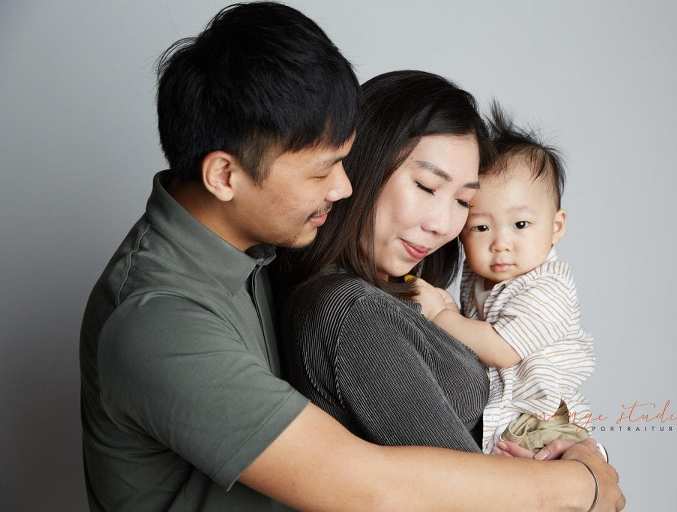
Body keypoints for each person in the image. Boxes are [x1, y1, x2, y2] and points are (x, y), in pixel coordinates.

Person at [80, 2, 625, 511]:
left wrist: (573, 448)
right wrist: (587, 480)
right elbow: (371, 487)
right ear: (225, 175)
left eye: (463, 200)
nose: (344, 186)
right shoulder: (161, 318)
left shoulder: (264, 255)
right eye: (324, 169)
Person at [279, 70, 624, 510]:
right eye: (426, 187)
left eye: (463, 201)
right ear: (362, 166)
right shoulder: (351, 311)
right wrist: (584, 481)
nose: (443, 224)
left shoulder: (407, 295)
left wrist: (583, 454)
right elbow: (467, 501)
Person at [410, 104, 596, 455]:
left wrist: (440, 316)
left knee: (532, 476)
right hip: (508, 414)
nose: (500, 243)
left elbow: (502, 349)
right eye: (481, 227)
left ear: (556, 227)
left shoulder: (547, 288)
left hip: (543, 418)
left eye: (520, 225)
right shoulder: (481, 277)